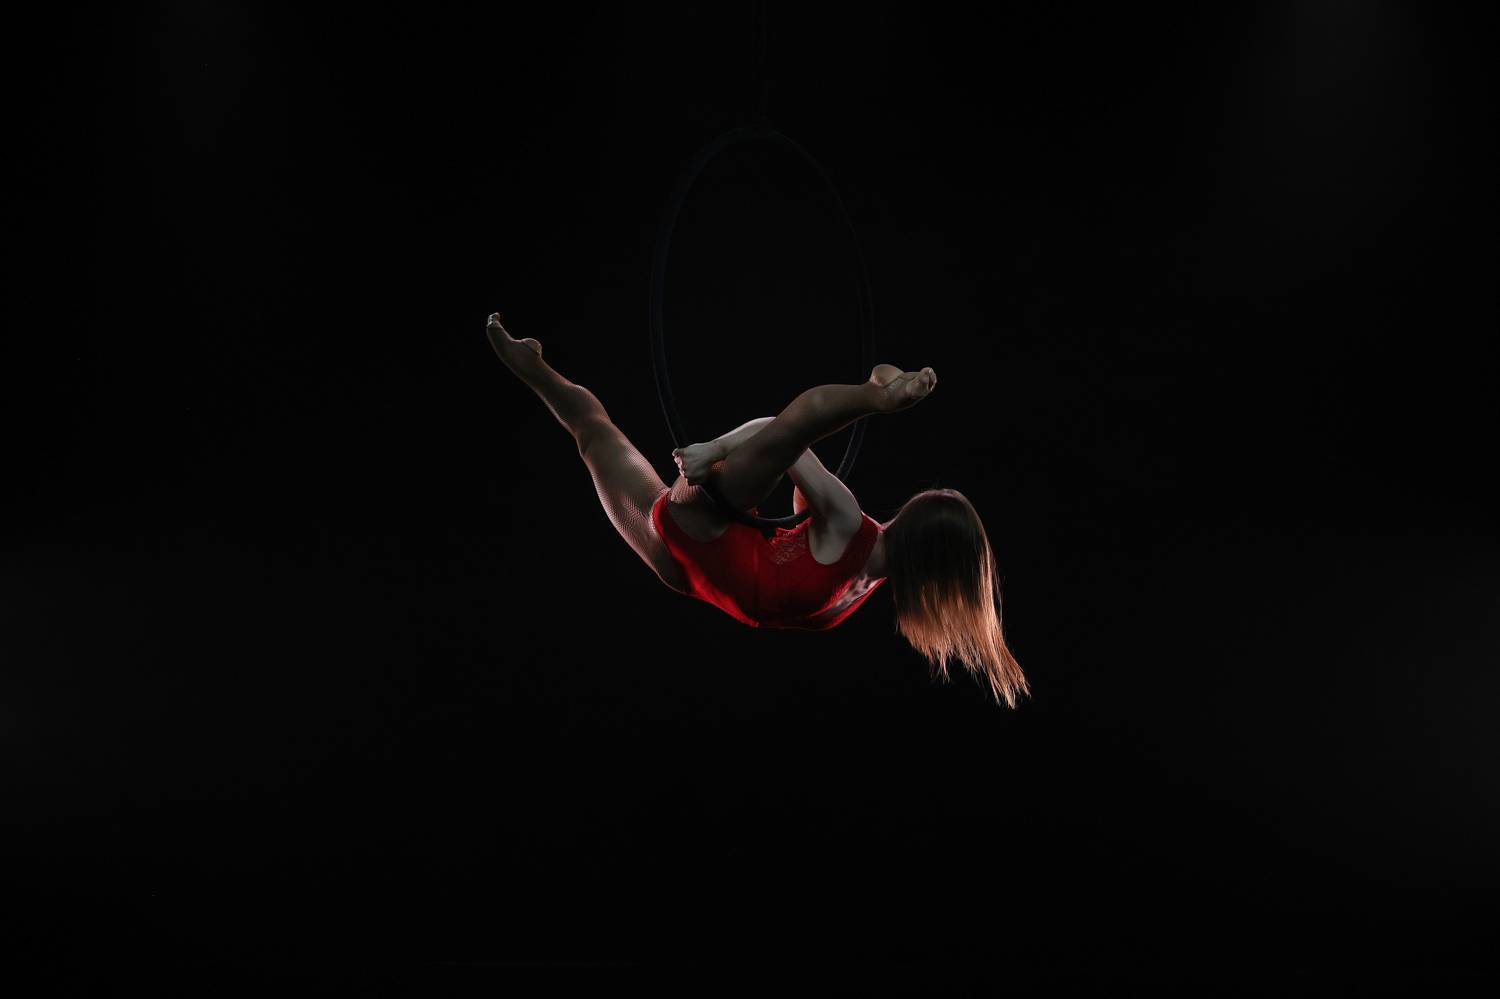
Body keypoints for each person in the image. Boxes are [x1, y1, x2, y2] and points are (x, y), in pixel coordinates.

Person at [485, 312, 1028, 707]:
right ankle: (876, 396)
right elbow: (778, 429)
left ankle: (530, 364)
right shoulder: (847, 525)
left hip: (682, 568)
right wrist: (714, 451)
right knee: (792, 431)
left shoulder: (863, 568)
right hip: (704, 526)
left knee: (593, 435)